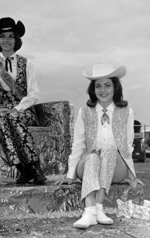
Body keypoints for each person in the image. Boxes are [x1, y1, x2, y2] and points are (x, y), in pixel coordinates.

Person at [55, 63, 141, 229]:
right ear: (92, 89)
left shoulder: (126, 112)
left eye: (107, 85)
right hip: (89, 165)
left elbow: (127, 146)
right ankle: (90, 212)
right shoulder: (85, 111)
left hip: (115, 167)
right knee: (93, 156)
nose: (103, 90)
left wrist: (132, 174)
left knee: (109, 150)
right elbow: (78, 143)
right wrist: (71, 174)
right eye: (98, 86)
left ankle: (98, 207)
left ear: (115, 87)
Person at [0, 16, 47, 185]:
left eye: (11, 36)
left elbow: (33, 94)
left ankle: (35, 167)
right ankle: (22, 169)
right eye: (3, 36)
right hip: (2, 110)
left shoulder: (27, 64)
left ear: (16, 39)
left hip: (24, 110)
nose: (6, 40)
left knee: (11, 117)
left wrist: (17, 109)